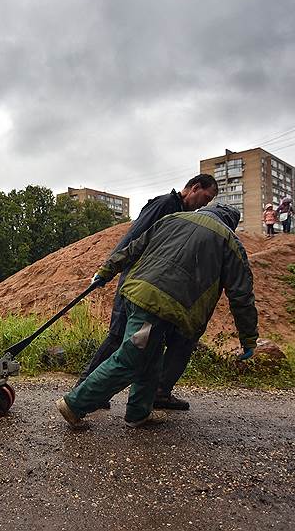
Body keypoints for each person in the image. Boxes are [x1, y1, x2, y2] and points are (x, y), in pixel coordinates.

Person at [55, 203, 259, 429]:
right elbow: (241, 296)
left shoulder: (173, 219)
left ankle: (138, 413)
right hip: (159, 306)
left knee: (151, 356)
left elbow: (134, 248)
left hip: (135, 294)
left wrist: (106, 271)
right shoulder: (230, 242)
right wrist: (248, 339)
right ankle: (75, 404)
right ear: (231, 223)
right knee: (130, 359)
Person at [75, 174, 218, 411]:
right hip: (135, 279)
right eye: (206, 197)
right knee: (118, 335)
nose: (205, 204)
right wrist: (106, 270)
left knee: (142, 341)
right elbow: (134, 236)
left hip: (151, 282)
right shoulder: (165, 205)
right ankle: (85, 387)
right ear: (195, 188)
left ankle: (150, 395)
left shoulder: (180, 212)